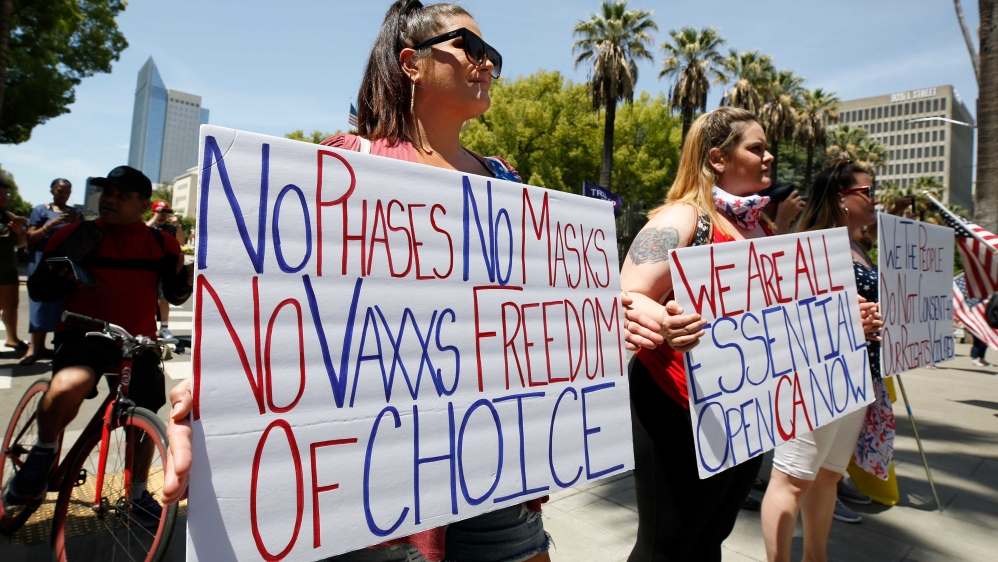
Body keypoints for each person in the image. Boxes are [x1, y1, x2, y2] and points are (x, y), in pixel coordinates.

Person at [162, 2, 663, 562]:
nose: (487, 64)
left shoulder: (506, 180)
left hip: (497, 461)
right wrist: (219, 392)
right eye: (471, 48)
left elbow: (540, 304)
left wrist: (613, 309)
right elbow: (279, 303)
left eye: (493, 56)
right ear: (411, 63)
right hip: (385, 473)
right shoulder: (348, 164)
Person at [618, 107, 775, 561]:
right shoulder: (682, 219)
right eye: (756, 148)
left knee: (711, 536)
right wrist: (664, 322)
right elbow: (626, 294)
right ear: (718, 158)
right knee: (666, 546)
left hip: (745, 406)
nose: (768, 157)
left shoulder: (763, 227)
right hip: (675, 402)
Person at [3, 166, 194, 528]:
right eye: (108, 193)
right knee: (70, 383)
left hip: (136, 342)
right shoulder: (76, 235)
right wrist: (59, 280)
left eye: (122, 196)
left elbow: (174, 295)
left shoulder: (161, 243)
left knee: (144, 415)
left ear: (143, 204)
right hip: (83, 333)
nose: (110, 200)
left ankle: (137, 492)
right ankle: (43, 453)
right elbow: (40, 291)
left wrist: (185, 281)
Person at [761, 160, 888, 561]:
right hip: (818, 374)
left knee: (828, 475)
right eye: (867, 192)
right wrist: (849, 319)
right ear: (841, 198)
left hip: (857, 374)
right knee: (792, 478)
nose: (875, 199)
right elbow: (789, 311)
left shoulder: (858, 248)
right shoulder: (813, 244)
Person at [21, 178, 80, 364]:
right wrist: (50, 225)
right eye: (60, 191)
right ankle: (34, 347)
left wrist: (76, 223)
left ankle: (51, 347)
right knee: (39, 304)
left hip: (62, 264)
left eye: (67, 191)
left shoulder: (75, 213)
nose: (64, 195)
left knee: (59, 306)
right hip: (41, 262)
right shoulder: (41, 210)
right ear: (52, 191)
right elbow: (30, 238)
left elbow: (82, 239)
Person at [147, 201, 186, 343]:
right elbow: (142, 232)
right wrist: (154, 218)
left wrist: (177, 225)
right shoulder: (150, 226)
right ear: (153, 212)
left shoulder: (171, 228)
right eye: (160, 211)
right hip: (149, 267)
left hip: (166, 267)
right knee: (148, 299)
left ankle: (164, 327)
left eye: (166, 211)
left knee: (163, 299)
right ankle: (147, 327)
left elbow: (180, 242)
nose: (163, 214)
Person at [0, 174, 29, 352]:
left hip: (7, 270)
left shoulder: (9, 216)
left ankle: (12, 339)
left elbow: (21, 244)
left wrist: (20, 233)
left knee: (11, 306)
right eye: (0, 194)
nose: (4, 198)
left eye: (6, 194)